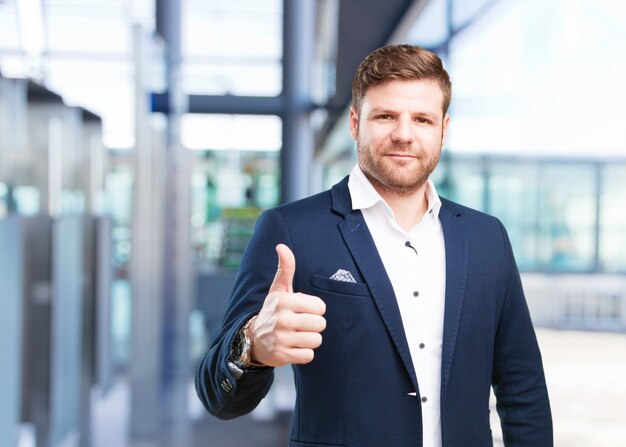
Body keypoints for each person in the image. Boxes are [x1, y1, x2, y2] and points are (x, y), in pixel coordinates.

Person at [195, 44, 553, 447]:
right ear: (354, 122)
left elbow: (522, 386)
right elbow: (217, 396)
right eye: (385, 116)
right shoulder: (292, 230)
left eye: (422, 119)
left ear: (443, 129)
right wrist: (253, 345)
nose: (404, 133)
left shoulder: (487, 238)